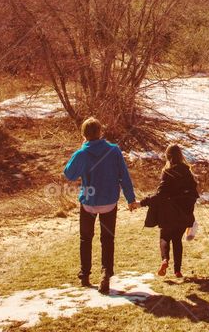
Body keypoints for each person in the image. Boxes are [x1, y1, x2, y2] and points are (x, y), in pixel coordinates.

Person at [63, 117, 138, 294]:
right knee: (107, 239)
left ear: (84, 134)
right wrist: (130, 199)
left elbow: (69, 174)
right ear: (100, 132)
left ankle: (85, 274)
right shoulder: (114, 150)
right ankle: (105, 274)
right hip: (109, 201)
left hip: (89, 202)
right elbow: (124, 176)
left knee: (85, 239)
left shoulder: (82, 154)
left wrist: (80, 150)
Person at [140, 144, 199, 278]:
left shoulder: (168, 173)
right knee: (177, 240)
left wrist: (142, 202)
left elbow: (159, 195)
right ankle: (177, 271)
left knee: (165, 237)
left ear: (168, 157)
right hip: (184, 214)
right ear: (181, 156)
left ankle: (165, 260)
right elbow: (194, 194)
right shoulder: (188, 172)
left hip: (168, 213)